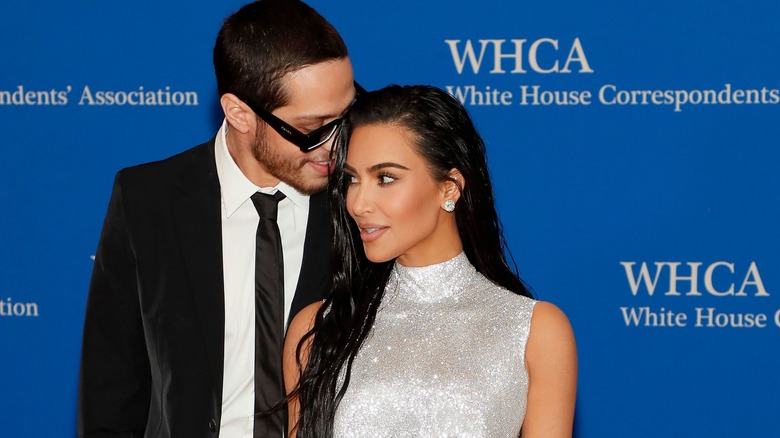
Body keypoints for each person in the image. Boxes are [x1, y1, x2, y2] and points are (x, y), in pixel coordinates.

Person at [77, 1, 358, 437]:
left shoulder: (359, 203)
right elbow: (112, 383)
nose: (335, 143)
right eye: (313, 127)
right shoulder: (147, 200)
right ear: (239, 113)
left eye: (345, 116)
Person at [283, 85, 577, 437]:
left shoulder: (534, 331)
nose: (358, 203)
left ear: (449, 187)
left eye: (386, 178)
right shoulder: (317, 329)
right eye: (352, 179)